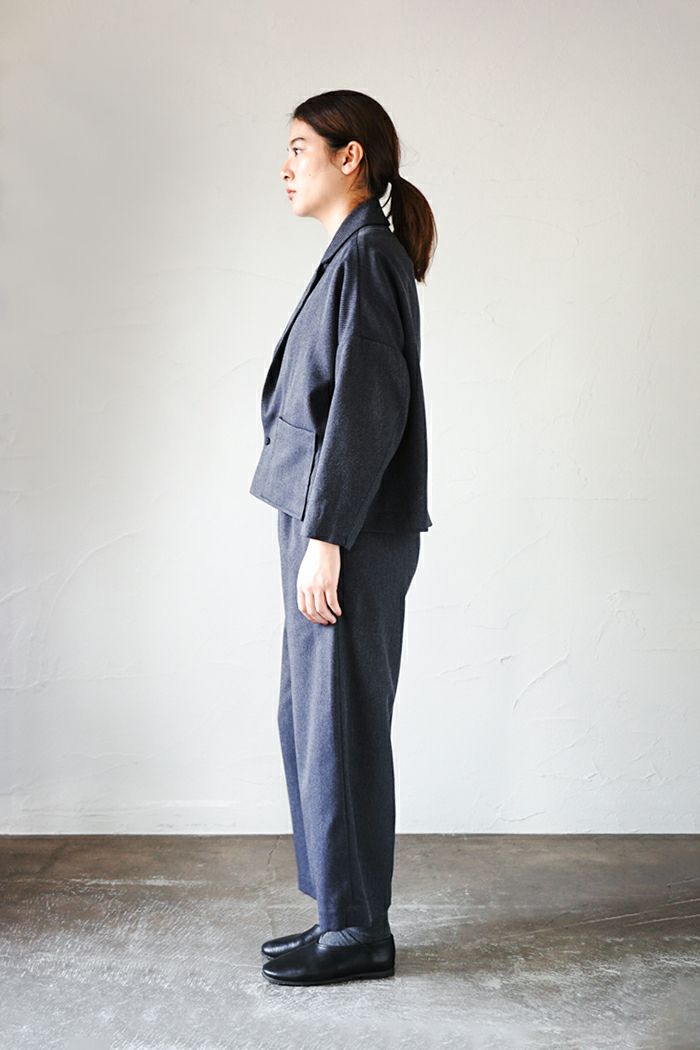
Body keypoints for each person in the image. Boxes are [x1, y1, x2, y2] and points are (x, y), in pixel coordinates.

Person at [249, 89, 436, 986]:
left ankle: (358, 931)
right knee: (314, 719)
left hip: (343, 527)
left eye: (300, 147)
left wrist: (326, 536)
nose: (286, 167)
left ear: (349, 155)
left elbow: (367, 407)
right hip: (329, 519)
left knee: (341, 725)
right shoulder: (353, 255)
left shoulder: (365, 258)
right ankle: (341, 913)